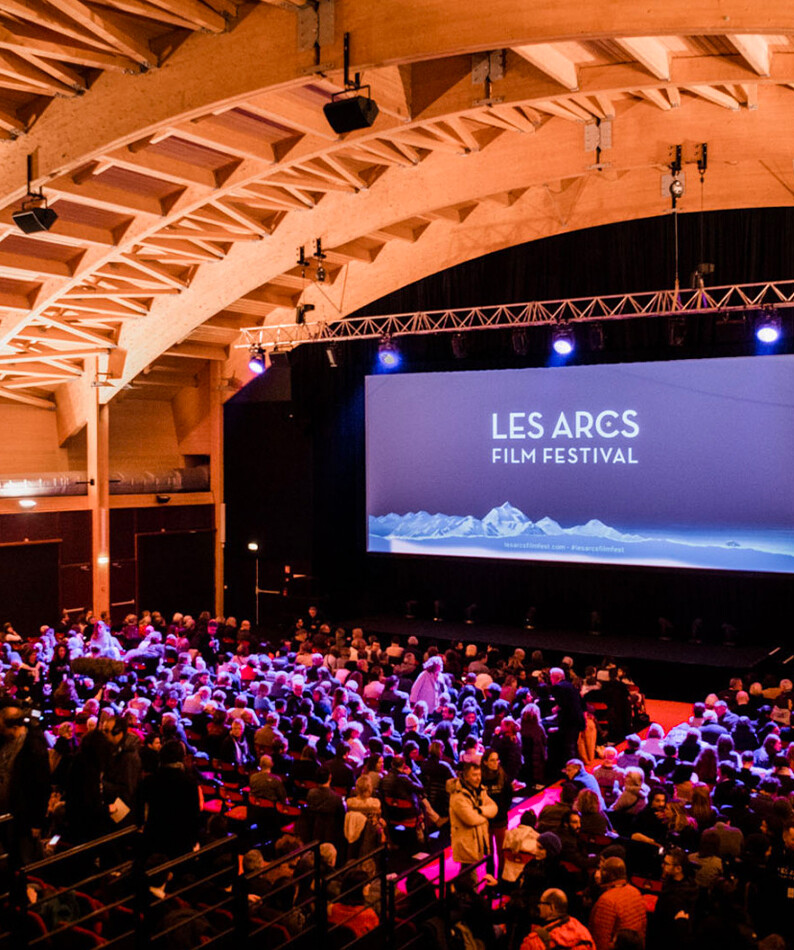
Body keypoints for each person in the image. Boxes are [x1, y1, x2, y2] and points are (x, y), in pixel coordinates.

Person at [587, 857, 646, 950]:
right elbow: (643, 928)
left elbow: (600, 939)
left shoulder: (607, 901)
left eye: (601, 869)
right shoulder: (636, 892)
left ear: (607, 874)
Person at [448, 760, 498, 865]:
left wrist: (479, 810)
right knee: (468, 875)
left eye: (479, 774)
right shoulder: (458, 796)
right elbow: (471, 819)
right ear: (466, 777)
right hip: (466, 845)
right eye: (474, 775)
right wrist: (486, 817)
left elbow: (494, 808)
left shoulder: (480, 790)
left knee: (469, 874)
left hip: (478, 840)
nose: (478, 778)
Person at [520, 888, 595, 950]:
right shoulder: (584, 933)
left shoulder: (534, 942)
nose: (539, 906)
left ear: (552, 908)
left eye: (542, 903)